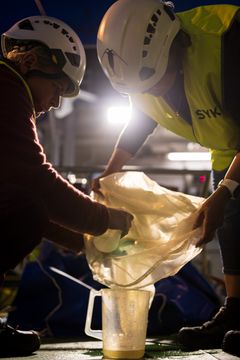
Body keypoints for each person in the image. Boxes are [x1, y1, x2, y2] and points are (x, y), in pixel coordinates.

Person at [92, 0, 240, 356]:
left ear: (178, 45)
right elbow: (141, 119)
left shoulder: (227, 41)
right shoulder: (141, 71)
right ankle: (237, 311)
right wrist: (109, 172)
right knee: (233, 227)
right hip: (229, 149)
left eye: (158, 80)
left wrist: (225, 190)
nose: (155, 92)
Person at [0, 15, 133, 356]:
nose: (56, 103)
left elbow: (21, 197)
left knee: (23, 211)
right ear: (29, 62)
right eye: (58, 88)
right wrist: (106, 219)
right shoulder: (6, 88)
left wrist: (85, 241)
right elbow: (35, 180)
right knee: (26, 210)